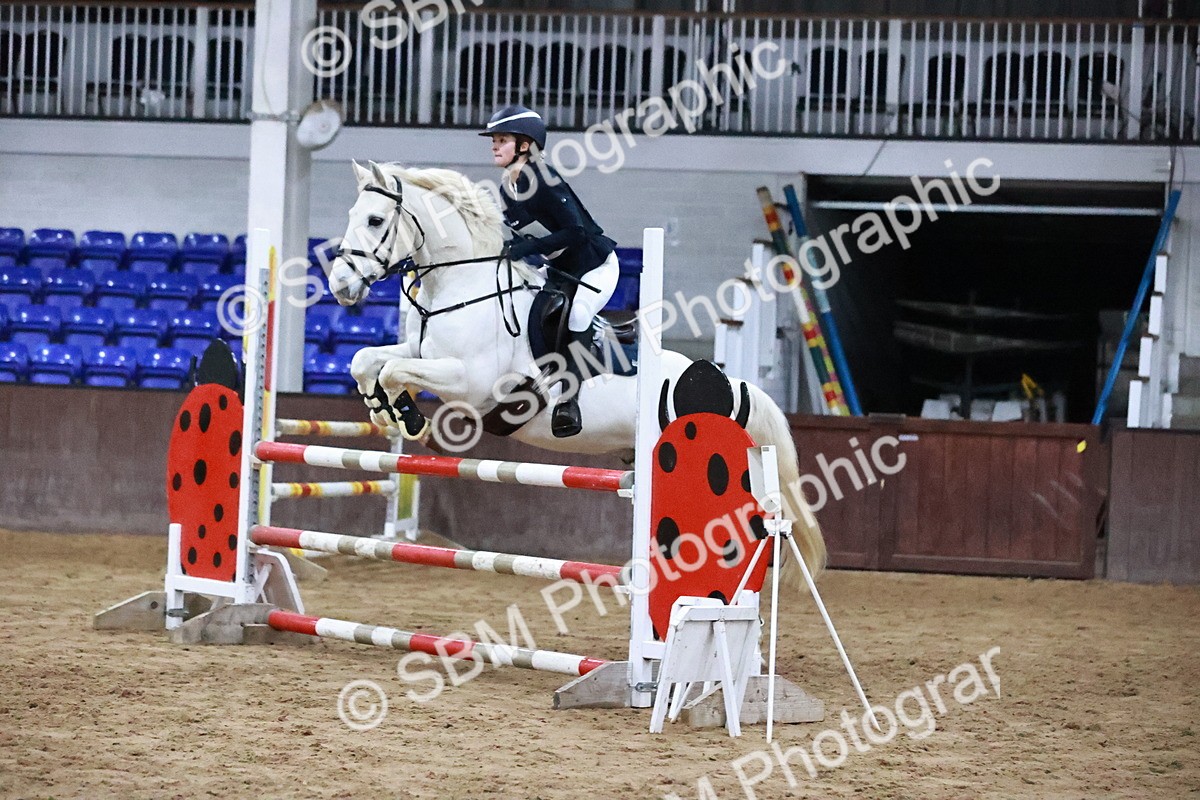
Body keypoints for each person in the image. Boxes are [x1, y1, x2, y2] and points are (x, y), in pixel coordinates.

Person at [480, 105, 619, 439]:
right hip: (558, 269)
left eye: (502, 140)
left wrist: (526, 250)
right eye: (494, 140)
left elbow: (576, 232)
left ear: (525, 145)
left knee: (578, 315)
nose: (494, 146)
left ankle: (568, 403)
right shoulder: (505, 188)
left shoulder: (544, 177)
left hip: (593, 266)